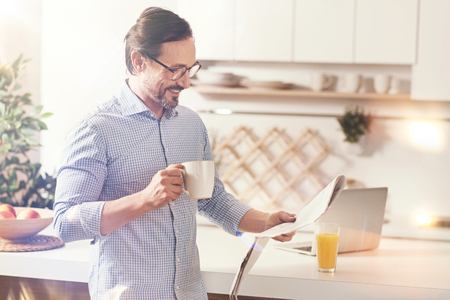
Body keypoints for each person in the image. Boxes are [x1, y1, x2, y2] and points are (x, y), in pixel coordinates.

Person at [53, 7, 296, 300]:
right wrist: (144, 199)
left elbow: (212, 199)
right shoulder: (96, 130)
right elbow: (65, 223)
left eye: (190, 69)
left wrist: (264, 222)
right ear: (139, 61)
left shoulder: (191, 124)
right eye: (175, 69)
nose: (185, 82)